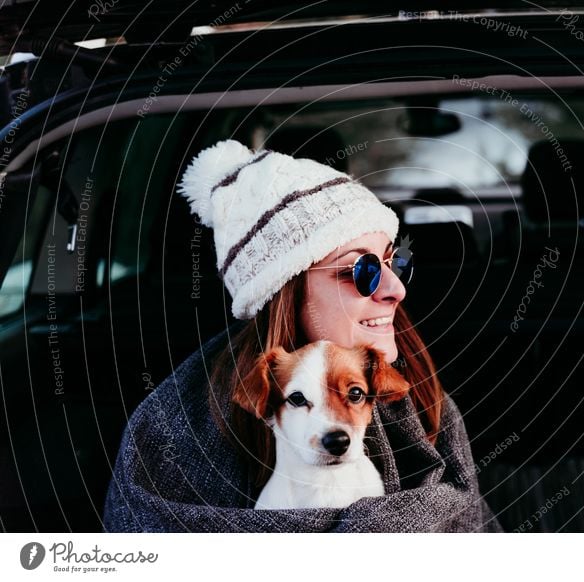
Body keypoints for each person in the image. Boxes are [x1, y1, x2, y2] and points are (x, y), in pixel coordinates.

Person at [103, 139, 502, 532]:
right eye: (361, 271)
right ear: (284, 289)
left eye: (393, 261)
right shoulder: (176, 430)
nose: (396, 288)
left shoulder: (425, 397)